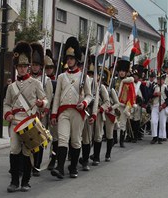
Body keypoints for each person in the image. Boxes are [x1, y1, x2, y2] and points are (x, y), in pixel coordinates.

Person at [4, 41, 48, 192]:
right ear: (16, 68)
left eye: (24, 66)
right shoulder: (11, 87)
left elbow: (46, 100)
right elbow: (7, 103)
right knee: (14, 149)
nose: (22, 69)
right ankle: (14, 181)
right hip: (16, 122)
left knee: (27, 151)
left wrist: (41, 103)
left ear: (28, 67)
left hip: (29, 121)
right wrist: (8, 113)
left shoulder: (35, 83)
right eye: (19, 67)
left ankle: (26, 182)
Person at [50, 37, 92, 179]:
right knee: (62, 138)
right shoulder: (61, 77)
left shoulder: (83, 77)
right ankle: (60, 168)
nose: (69, 60)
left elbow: (89, 95)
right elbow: (56, 97)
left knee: (75, 140)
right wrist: (54, 114)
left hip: (77, 112)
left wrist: (84, 103)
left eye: (72, 58)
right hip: (63, 112)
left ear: (77, 59)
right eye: (68, 58)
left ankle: (73, 167)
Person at [30, 42, 53, 177]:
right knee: (28, 140)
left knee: (39, 140)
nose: (34, 67)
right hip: (29, 113)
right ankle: (28, 164)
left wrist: (45, 110)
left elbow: (48, 98)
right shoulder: (27, 79)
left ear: (40, 66)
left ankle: (37, 166)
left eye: (37, 65)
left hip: (41, 113)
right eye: (33, 65)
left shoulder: (46, 81)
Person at [114, 59, 136, 148]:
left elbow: (132, 96)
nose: (121, 73)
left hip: (124, 106)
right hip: (115, 105)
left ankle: (121, 141)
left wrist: (128, 107)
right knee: (114, 123)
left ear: (126, 72)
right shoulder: (115, 81)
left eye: (123, 71)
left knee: (122, 124)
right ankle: (114, 139)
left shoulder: (129, 82)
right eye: (120, 71)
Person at [44, 52, 59, 170]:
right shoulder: (41, 80)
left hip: (54, 111)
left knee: (55, 138)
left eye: (50, 68)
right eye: (46, 68)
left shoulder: (58, 80)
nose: (48, 70)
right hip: (43, 112)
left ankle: (53, 159)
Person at [150, 73, 168, 144]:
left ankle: (161, 137)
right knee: (153, 121)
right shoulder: (154, 87)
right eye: (158, 79)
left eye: (161, 79)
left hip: (163, 106)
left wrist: (163, 106)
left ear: (163, 80)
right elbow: (149, 95)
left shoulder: (166, 87)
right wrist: (155, 94)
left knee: (162, 123)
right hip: (155, 106)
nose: (159, 81)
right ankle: (154, 137)